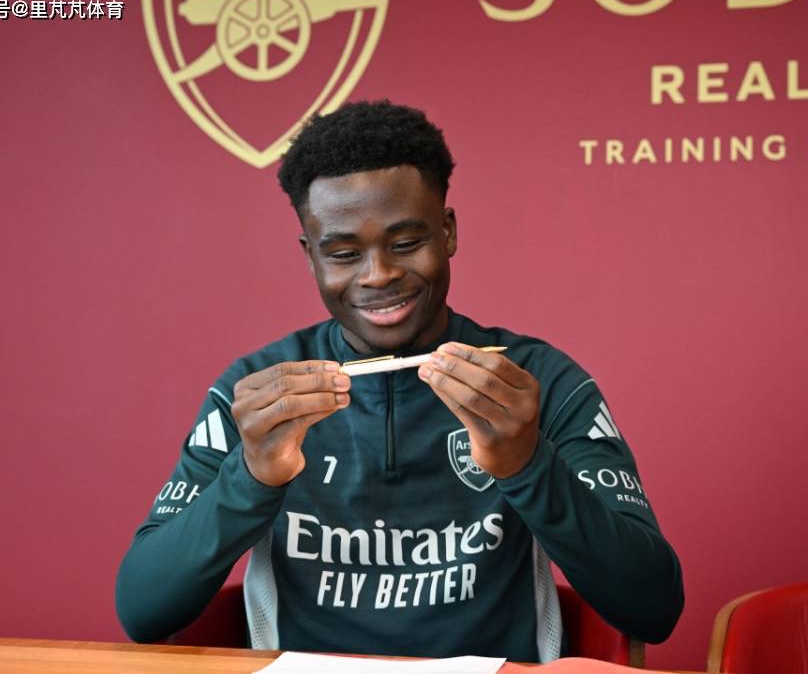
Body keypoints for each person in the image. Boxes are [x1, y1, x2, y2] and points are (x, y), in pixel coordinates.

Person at [115, 101, 683, 662]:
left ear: (448, 232)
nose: (379, 274)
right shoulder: (258, 394)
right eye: (343, 253)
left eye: (406, 244)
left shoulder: (536, 382)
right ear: (310, 257)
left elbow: (653, 607)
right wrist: (252, 477)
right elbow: (143, 610)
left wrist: (526, 463)